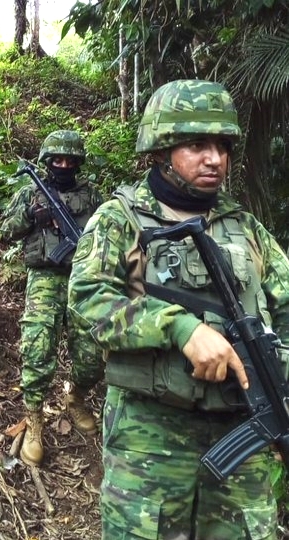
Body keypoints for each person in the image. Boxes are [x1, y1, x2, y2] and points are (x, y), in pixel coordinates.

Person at [67, 79, 289, 539]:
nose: (215, 159)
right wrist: (180, 329)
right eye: (196, 145)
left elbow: (286, 308)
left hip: (245, 430)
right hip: (149, 438)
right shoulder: (120, 219)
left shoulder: (245, 228)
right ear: (162, 151)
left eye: (222, 146)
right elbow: (88, 298)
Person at [0, 130, 104, 466]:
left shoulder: (92, 195)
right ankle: (34, 419)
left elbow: (109, 235)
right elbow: (0, 231)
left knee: (91, 354)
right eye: (57, 160)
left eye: (70, 160)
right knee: (39, 347)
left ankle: (76, 397)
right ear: (47, 162)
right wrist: (32, 215)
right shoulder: (31, 194)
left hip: (84, 278)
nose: (64, 165)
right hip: (45, 277)